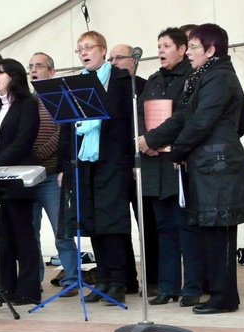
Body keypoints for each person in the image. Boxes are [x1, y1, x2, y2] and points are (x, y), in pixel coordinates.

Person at [139, 23, 244, 314]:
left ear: (211, 50)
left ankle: (223, 297)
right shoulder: (204, 77)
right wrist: (151, 139)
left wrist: (176, 152)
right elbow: (183, 117)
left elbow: (200, 122)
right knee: (213, 232)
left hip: (217, 166)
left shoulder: (218, 78)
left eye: (194, 47)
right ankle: (222, 295)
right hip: (209, 163)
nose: (189, 51)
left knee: (219, 233)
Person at [57, 31, 134, 304]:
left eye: (88, 47)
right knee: (92, 223)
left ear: (103, 51)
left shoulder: (122, 80)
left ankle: (118, 281)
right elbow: (66, 128)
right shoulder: (75, 83)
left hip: (112, 159)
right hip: (84, 162)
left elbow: (127, 121)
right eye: (79, 50)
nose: (83, 53)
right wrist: (63, 166)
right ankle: (101, 280)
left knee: (111, 223)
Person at [136, 27, 204, 307]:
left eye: (166, 45)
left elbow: (185, 118)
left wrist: (155, 139)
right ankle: (167, 287)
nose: (161, 50)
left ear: (182, 49)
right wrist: (145, 141)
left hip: (178, 160)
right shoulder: (152, 80)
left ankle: (192, 288)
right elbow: (141, 113)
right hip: (154, 163)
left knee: (185, 226)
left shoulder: (191, 78)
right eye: (158, 45)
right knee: (163, 228)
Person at [0, 58, 42, 304]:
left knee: (23, 235)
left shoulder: (28, 104)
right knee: (0, 236)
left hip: (17, 178)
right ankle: (3, 286)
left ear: (12, 77)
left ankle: (28, 289)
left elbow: (23, 141)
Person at [108, 43, 160, 296]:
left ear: (133, 60)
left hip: (143, 164)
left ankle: (153, 279)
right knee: (118, 225)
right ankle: (126, 278)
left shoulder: (143, 86)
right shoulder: (107, 89)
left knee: (147, 224)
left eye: (119, 57)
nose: (114, 62)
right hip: (117, 166)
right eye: (111, 58)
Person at [28, 52, 78, 297]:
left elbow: (63, 135)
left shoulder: (59, 100)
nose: (33, 70)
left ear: (51, 71)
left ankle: (72, 278)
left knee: (62, 231)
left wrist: (36, 157)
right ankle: (33, 280)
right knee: (30, 232)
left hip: (49, 176)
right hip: (28, 179)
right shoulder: (26, 101)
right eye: (30, 67)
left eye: (38, 66)